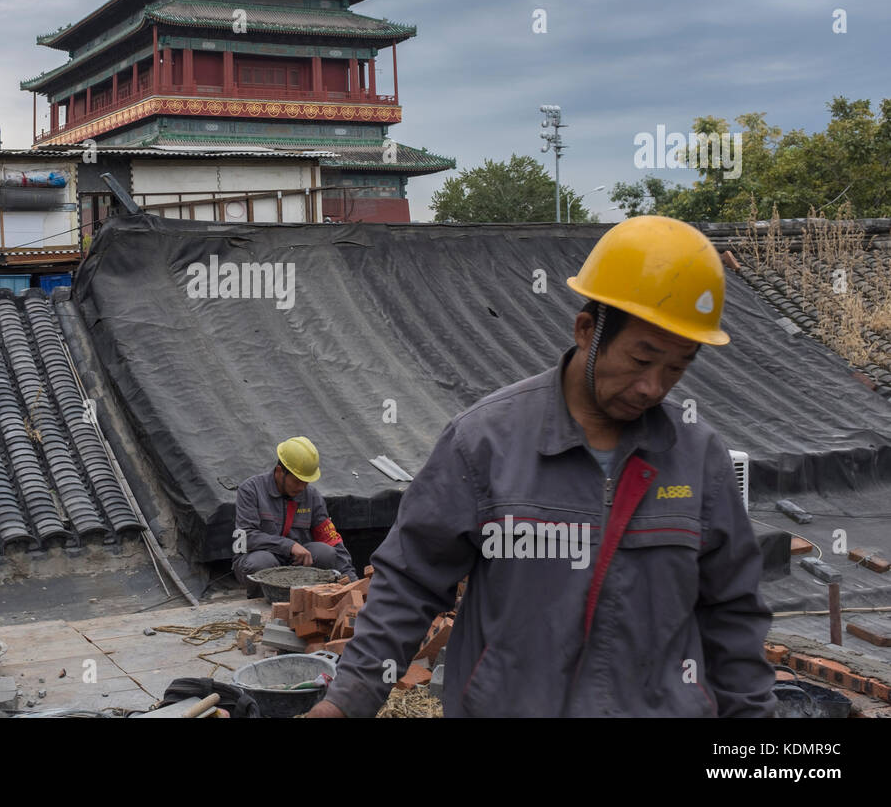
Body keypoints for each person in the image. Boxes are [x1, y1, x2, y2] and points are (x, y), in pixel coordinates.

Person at [310, 216, 775, 717]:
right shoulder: (485, 443)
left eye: (676, 369)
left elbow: (731, 613)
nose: (653, 387)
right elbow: (409, 582)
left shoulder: (698, 459)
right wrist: (346, 701)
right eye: (642, 360)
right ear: (586, 330)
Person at [233, 437, 357, 589]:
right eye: (298, 481)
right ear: (279, 471)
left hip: (297, 564)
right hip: (262, 560)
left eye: (306, 482)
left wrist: (352, 580)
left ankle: (307, 599)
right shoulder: (251, 490)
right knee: (260, 561)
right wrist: (289, 545)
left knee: (326, 552)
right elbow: (245, 538)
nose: (302, 487)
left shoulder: (312, 496)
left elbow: (330, 539)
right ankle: (266, 603)